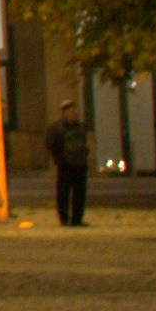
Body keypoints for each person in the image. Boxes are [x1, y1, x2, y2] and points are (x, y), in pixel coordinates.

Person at [42, 96, 92, 229]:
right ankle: (64, 219)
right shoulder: (56, 127)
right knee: (63, 193)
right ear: (65, 112)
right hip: (65, 165)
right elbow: (49, 144)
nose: (74, 113)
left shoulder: (80, 126)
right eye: (71, 111)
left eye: (75, 111)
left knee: (79, 193)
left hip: (80, 164)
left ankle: (77, 219)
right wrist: (58, 158)